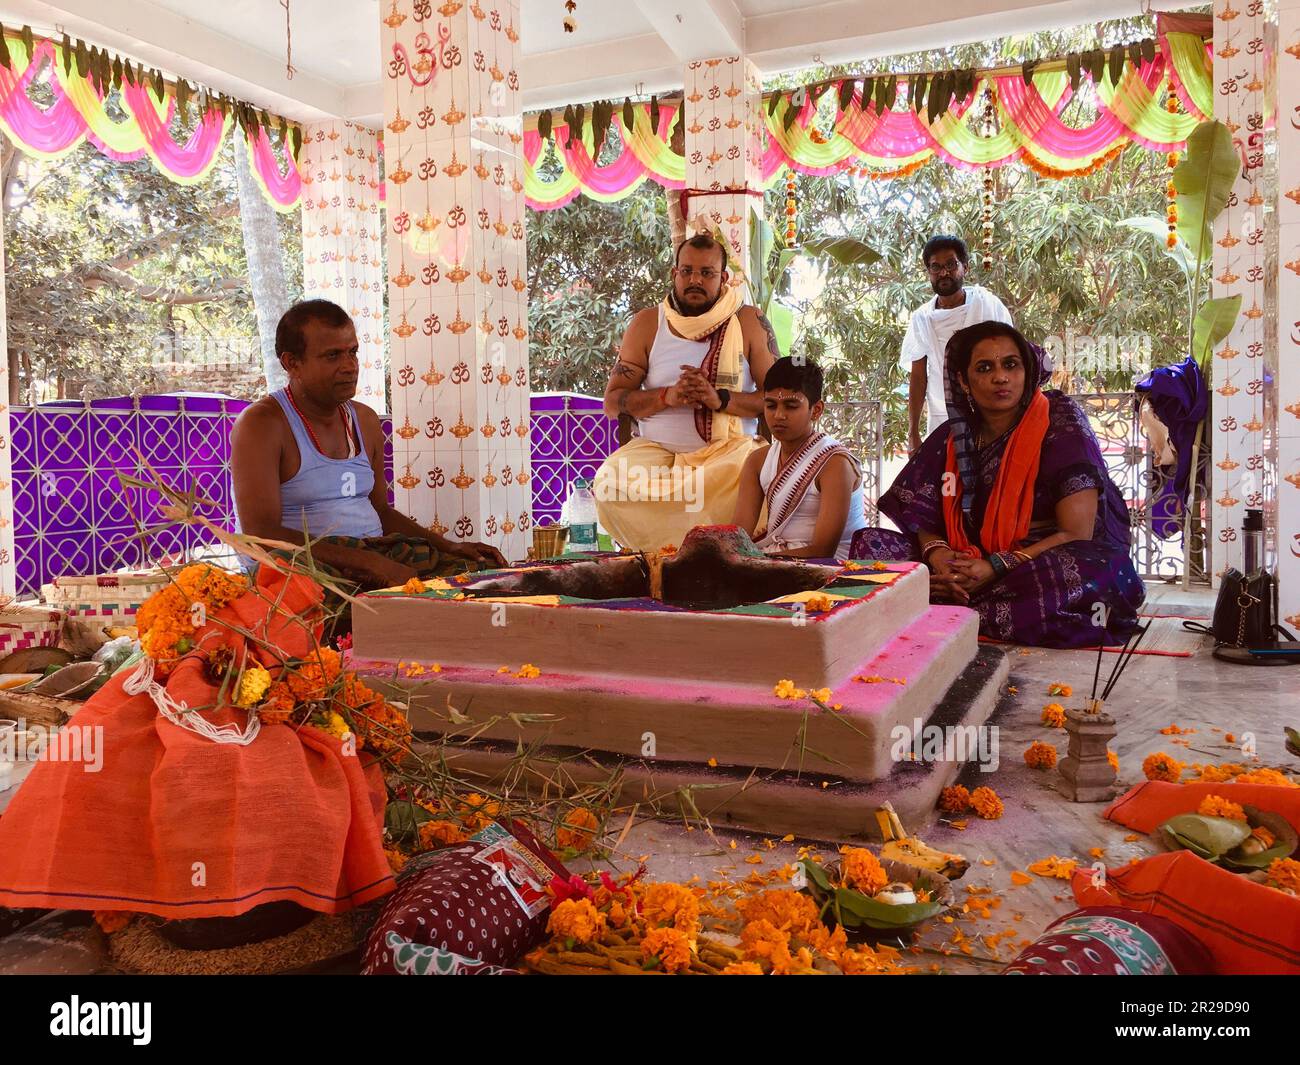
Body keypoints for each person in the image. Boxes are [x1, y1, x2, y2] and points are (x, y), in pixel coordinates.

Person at [852, 321, 1145, 648]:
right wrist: (941, 560)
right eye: (984, 367)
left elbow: (1076, 532)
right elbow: (924, 518)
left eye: (1010, 364)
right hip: (962, 562)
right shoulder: (951, 438)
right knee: (870, 548)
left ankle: (931, 602)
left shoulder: (1060, 420)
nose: (1000, 377)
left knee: (1092, 573)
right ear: (964, 380)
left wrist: (996, 565)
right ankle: (950, 595)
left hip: (1031, 563)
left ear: (1027, 370)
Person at [232, 300, 506, 595]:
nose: (349, 367)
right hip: (309, 567)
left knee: (476, 574)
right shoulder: (262, 423)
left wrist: (450, 546)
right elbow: (260, 534)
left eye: (352, 352)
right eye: (332, 356)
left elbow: (380, 510)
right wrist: (365, 563)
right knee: (338, 600)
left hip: (374, 550)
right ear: (292, 363)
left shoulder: (364, 419)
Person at [593, 232, 779, 551]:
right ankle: (661, 561)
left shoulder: (749, 320)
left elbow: (778, 398)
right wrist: (667, 397)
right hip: (658, 455)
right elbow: (612, 403)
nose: (695, 280)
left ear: (723, 278)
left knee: (748, 476)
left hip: (728, 454)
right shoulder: (648, 323)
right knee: (611, 480)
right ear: (674, 273)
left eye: (706, 273)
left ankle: (718, 560)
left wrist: (718, 399)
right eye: (687, 271)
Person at [733, 356, 867, 561]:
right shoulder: (757, 461)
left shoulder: (835, 464)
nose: (778, 415)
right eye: (770, 405)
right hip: (775, 562)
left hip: (835, 569)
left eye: (791, 406)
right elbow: (738, 537)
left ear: (817, 410)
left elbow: (822, 551)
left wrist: (757, 561)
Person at [902, 235, 1014, 454]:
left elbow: (1013, 360)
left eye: (951, 265)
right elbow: (917, 376)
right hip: (942, 419)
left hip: (993, 416)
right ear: (929, 273)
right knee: (948, 483)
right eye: (936, 267)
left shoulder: (987, 305)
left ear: (965, 267)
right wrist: (913, 433)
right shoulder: (921, 318)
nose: (944, 273)